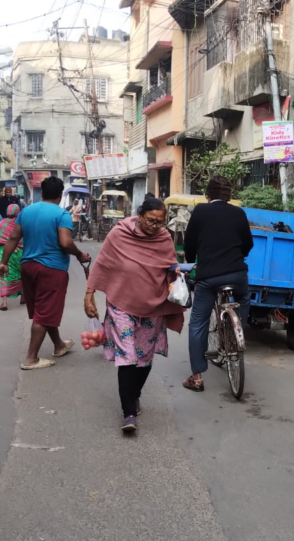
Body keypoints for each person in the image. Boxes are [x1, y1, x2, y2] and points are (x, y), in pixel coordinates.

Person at [84, 197, 186, 433]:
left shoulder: (164, 238)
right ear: (140, 215)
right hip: (121, 304)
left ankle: (135, 394)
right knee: (128, 355)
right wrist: (89, 294)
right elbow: (103, 264)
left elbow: (169, 266)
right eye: (150, 220)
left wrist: (176, 272)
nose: (154, 226)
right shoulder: (119, 235)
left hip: (153, 305)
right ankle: (128, 412)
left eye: (159, 222)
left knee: (144, 358)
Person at [0, 176, 90, 370]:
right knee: (44, 312)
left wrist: (3, 262)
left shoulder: (26, 212)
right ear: (60, 195)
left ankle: (58, 345)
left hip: (28, 267)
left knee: (43, 309)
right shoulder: (61, 214)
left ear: (41, 193)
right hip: (51, 269)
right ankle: (31, 358)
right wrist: (80, 254)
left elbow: (13, 237)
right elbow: (66, 243)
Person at [182, 176, 253, 392]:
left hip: (208, 278)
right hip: (237, 275)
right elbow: (247, 244)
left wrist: (194, 259)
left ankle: (196, 377)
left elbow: (190, 244)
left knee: (198, 323)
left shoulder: (201, 211)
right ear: (229, 196)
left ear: (208, 195)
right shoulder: (239, 213)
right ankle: (235, 333)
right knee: (244, 299)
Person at [0, 205, 24, 310]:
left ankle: (4, 302)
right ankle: (23, 298)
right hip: (19, 252)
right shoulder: (20, 224)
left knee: (4, 275)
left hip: (4, 251)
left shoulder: (2, 223)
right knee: (21, 273)